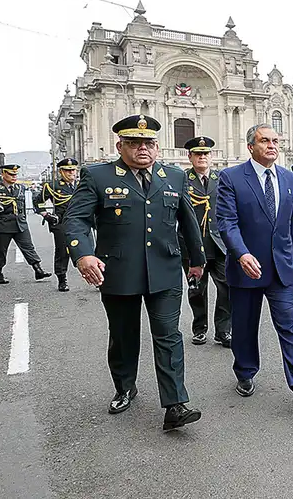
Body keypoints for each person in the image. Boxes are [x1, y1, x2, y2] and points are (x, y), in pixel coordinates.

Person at [63, 115, 205, 430]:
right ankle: (125, 386)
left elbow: (188, 221)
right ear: (120, 146)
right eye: (134, 142)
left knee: (168, 335)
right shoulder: (98, 176)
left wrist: (196, 260)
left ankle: (175, 404)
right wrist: (83, 254)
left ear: (157, 146)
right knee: (124, 335)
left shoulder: (174, 177)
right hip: (118, 272)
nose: (143, 148)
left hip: (165, 269)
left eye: (149, 143)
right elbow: (75, 219)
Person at [215, 123, 293, 413]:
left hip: (281, 269)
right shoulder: (231, 177)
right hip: (247, 268)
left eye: (275, 140)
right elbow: (227, 222)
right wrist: (241, 254)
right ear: (251, 146)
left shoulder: (288, 177)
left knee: (290, 326)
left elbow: (290, 223)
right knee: (244, 327)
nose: (272, 145)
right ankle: (245, 371)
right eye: (265, 140)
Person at [179, 136, 231, 347]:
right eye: (198, 154)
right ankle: (199, 329)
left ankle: (223, 330)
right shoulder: (182, 179)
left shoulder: (222, 178)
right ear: (190, 157)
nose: (202, 157)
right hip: (193, 246)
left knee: (227, 288)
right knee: (197, 290)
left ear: (211, 157)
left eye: (206, 153)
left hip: (219, 244)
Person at [0, 164, 51, 284]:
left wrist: (24, 218)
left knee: (28, 247)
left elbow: (22, 206)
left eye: (15, 174)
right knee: (1, 250)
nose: (14, 176)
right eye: (11, 174)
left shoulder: (20, 188)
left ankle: (38, 270)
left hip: (20, 223)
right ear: (3, 174)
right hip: (3, 224)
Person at [34, 158, 80, 291]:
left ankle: (96, 278)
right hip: (61, 222)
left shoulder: (82, 184)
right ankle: (62, 279)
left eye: (73, 170)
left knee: (87, 250)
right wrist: (46, 215)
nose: (71, 173)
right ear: (61, 172)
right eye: (67, 170)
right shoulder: (52, 186)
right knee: (63, 252)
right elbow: (38, 202)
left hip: (80, 222)